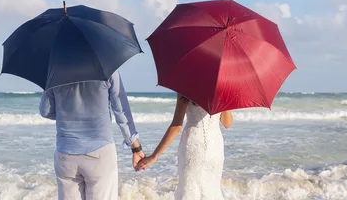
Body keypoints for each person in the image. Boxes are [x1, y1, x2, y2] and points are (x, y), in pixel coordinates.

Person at [39, 71, 144, 200]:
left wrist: (68, 114)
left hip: (65, 153)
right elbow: (121, 111)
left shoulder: (54, 71)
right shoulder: (108, 68)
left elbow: (46, 111)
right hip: (99, 152)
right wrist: (135, 147)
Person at [136, 94, 232, 199]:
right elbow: (227, 124)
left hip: (194, 143)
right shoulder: (220, 90)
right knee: (211, 188)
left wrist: (154, 156)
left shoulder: (187, 87)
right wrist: (223, 97)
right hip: (214, 145)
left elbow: (176, 126)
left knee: (191, 187)